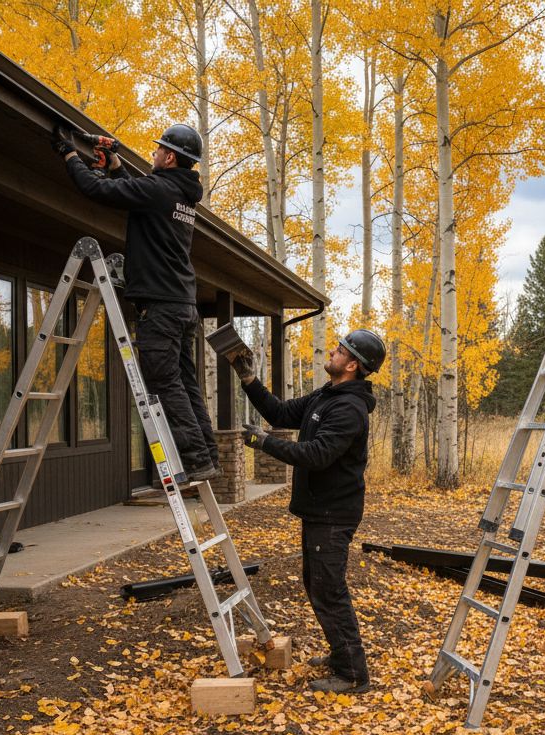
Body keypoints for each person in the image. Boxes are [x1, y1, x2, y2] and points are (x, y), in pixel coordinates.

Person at [53, 125, 220, 480]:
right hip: (182, 304)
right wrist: (114, 164)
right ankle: (207, 457)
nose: (154, 154)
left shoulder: (159, 189)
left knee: (164, 383)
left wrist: (68, 153)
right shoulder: (181, 195)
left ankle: (193, 459)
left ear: (170, 157)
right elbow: (137, 193)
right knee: (186, 385)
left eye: (158, 150)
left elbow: (94, 189)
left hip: (160, 306)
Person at [229, 331, 385, 694]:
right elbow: (280, 412)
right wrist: (248, 379)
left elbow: (316, 455)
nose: (333, 350)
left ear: (352, 364)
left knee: (329, 591)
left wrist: (266, 443)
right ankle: (340, 655)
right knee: (317, 585)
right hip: (320, 513)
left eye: (340, 349)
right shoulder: (326, 396)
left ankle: (352, 674)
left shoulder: (348, 408)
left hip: (334, 515)